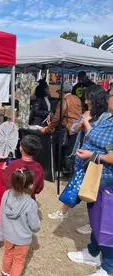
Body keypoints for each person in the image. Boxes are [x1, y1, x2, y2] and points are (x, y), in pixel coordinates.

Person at [48, 85, 110, 231]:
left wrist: (86, 123)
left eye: (88, 99)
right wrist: (82, 122)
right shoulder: (90, 113)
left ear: (95, 100)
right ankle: (63, 212)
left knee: (92, 192)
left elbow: (96, 138)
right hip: (83, 158)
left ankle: (93, 224)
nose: (86, 101)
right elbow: (73, 128)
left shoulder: (106, 118)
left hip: (96, 162)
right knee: (74, 186)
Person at [67, 87, 113, 276]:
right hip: (96, 175)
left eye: (111, 95)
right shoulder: (108, 118)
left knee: (107, 222)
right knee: (96, 215)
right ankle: (94, 252)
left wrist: (93, 155)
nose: (109, 98)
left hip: (106, 178)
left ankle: (109, 268)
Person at [0, 135, 44, 257]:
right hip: (28, 200)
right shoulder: (38, 167)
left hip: (11, 199)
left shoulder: (14, 164)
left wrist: (2, 170)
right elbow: (39, 188)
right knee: (24, 224)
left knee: (3, 223)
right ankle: (18, 247)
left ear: (21, 148)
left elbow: (5, 180)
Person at [0, 167, 40, 276]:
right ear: (30, 185)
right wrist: (36, 228)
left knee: (7, 254)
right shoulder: (31, 203)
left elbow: (1, 214)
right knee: (18, 260)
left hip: (8, 234)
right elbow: (34, 225)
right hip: (22, 238)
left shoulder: (5, 195)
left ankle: (5, 273)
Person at [40, 81, 82, 174]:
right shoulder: (77, 98)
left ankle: (67, 171)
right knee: (72, 150)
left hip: (67, 129)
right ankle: (70, 170)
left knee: (65, 150)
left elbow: (57, 117)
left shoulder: (64, 101)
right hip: (77, 128)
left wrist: (49, 128)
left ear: (62, 92)